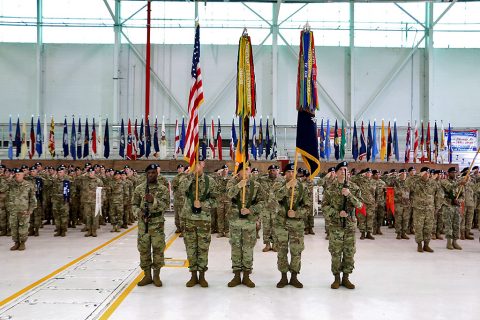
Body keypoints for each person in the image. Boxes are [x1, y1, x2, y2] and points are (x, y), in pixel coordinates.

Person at [178, 156, 217, 287]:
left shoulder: (209, 181)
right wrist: (190, 176)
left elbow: (215, 200)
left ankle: (202, 275)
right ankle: (193, 275)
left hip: (203, 220)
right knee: (190, 247)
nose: (196, 167)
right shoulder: (187, 179)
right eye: (194, 165)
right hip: (189, 219)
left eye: (198, 164)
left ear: (203, 165)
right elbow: (180, 190)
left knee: (203, 247)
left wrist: (203, 204)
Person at [322, 161, 363, 289]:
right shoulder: (330, 188)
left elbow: (360, 205)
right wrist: (337, 213)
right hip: (335, 226)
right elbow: (324, 207)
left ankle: (346, 278)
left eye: (346, 170)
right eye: (341, 170)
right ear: (337, 172)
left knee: (349, 252)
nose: (344, 172)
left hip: (350, 226)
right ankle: (336, 278)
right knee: (336, 253)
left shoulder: (354, 188)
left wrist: (349, 195)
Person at [226, 162, 266, 288]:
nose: (245, 172)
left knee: (248, 248)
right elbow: (228, 195)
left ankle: (247, 276)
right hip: (235, 221)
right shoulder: (232, 183)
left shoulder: (256, 185)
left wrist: (251, 210)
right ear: (238, 172)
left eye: (247, 169)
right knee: (236, 248)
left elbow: (263, 202)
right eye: (242, 169)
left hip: (249, 221)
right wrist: (239, 186)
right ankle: (237, 275)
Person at [132, 164, 170, 287]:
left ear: (157, 174)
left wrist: (153, 200)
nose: (151, 175)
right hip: (144, 224)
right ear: (146, 174)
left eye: (153, 173)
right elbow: (134, 205)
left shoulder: (163, 189)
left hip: (157, 223)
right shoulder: (139, 188)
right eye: (149, 173)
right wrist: (139, 212)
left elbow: (166, 205)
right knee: (144, 250)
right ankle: (147, 276)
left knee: (158, 250)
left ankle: (156, 276)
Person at [273, 163, 308, 288]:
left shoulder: (302, 188)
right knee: (281, 250)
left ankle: (294, 276)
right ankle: (283, 276)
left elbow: (307, 207)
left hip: (296, 224)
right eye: (289, 172)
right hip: (281, 223)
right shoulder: (279, 184)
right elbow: (275, 197)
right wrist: (288, 186)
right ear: (285, 173)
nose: (291, 174)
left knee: (296, 251)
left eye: (293, 172)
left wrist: (297, 213)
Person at [6, 168, 37, 251]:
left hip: (24, 211)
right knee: (13, 227)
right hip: (13, 210)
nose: (17, 176)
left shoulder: (29, 185)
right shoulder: (11, 184)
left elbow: (32, 199)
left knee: (23, 228)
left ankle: (22, 243)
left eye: (19, 174)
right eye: (16, 174)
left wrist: (30, 210)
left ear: (23, 175)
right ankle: (16, 243)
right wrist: (9, 178)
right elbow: (3, 189)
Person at [410, 167, 436, 253]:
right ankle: (419, 245)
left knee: (428, 228)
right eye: (425, 173)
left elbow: (437, 194)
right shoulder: (416, 182)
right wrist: (418, 175)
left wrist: (436, 206)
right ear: (421, 174)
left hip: (429, 209)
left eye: (428, 173)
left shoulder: (433, 183)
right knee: (418, 227)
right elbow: (407, 183)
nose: (427, 175)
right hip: (419, 209)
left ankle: (426, 245)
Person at [440, 167, 465, 250]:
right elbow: (449, 187)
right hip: (447, 206)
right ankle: (449, 242)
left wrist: (459, 200)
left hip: (456, 207)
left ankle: (455, 242)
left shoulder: (459, 184)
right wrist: (459, 183)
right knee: (448, 225)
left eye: (455, 172)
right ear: (448, 173)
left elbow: (462, 195)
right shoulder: (444, 181)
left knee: (456, 224)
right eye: (452, 172)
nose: (454, 174)